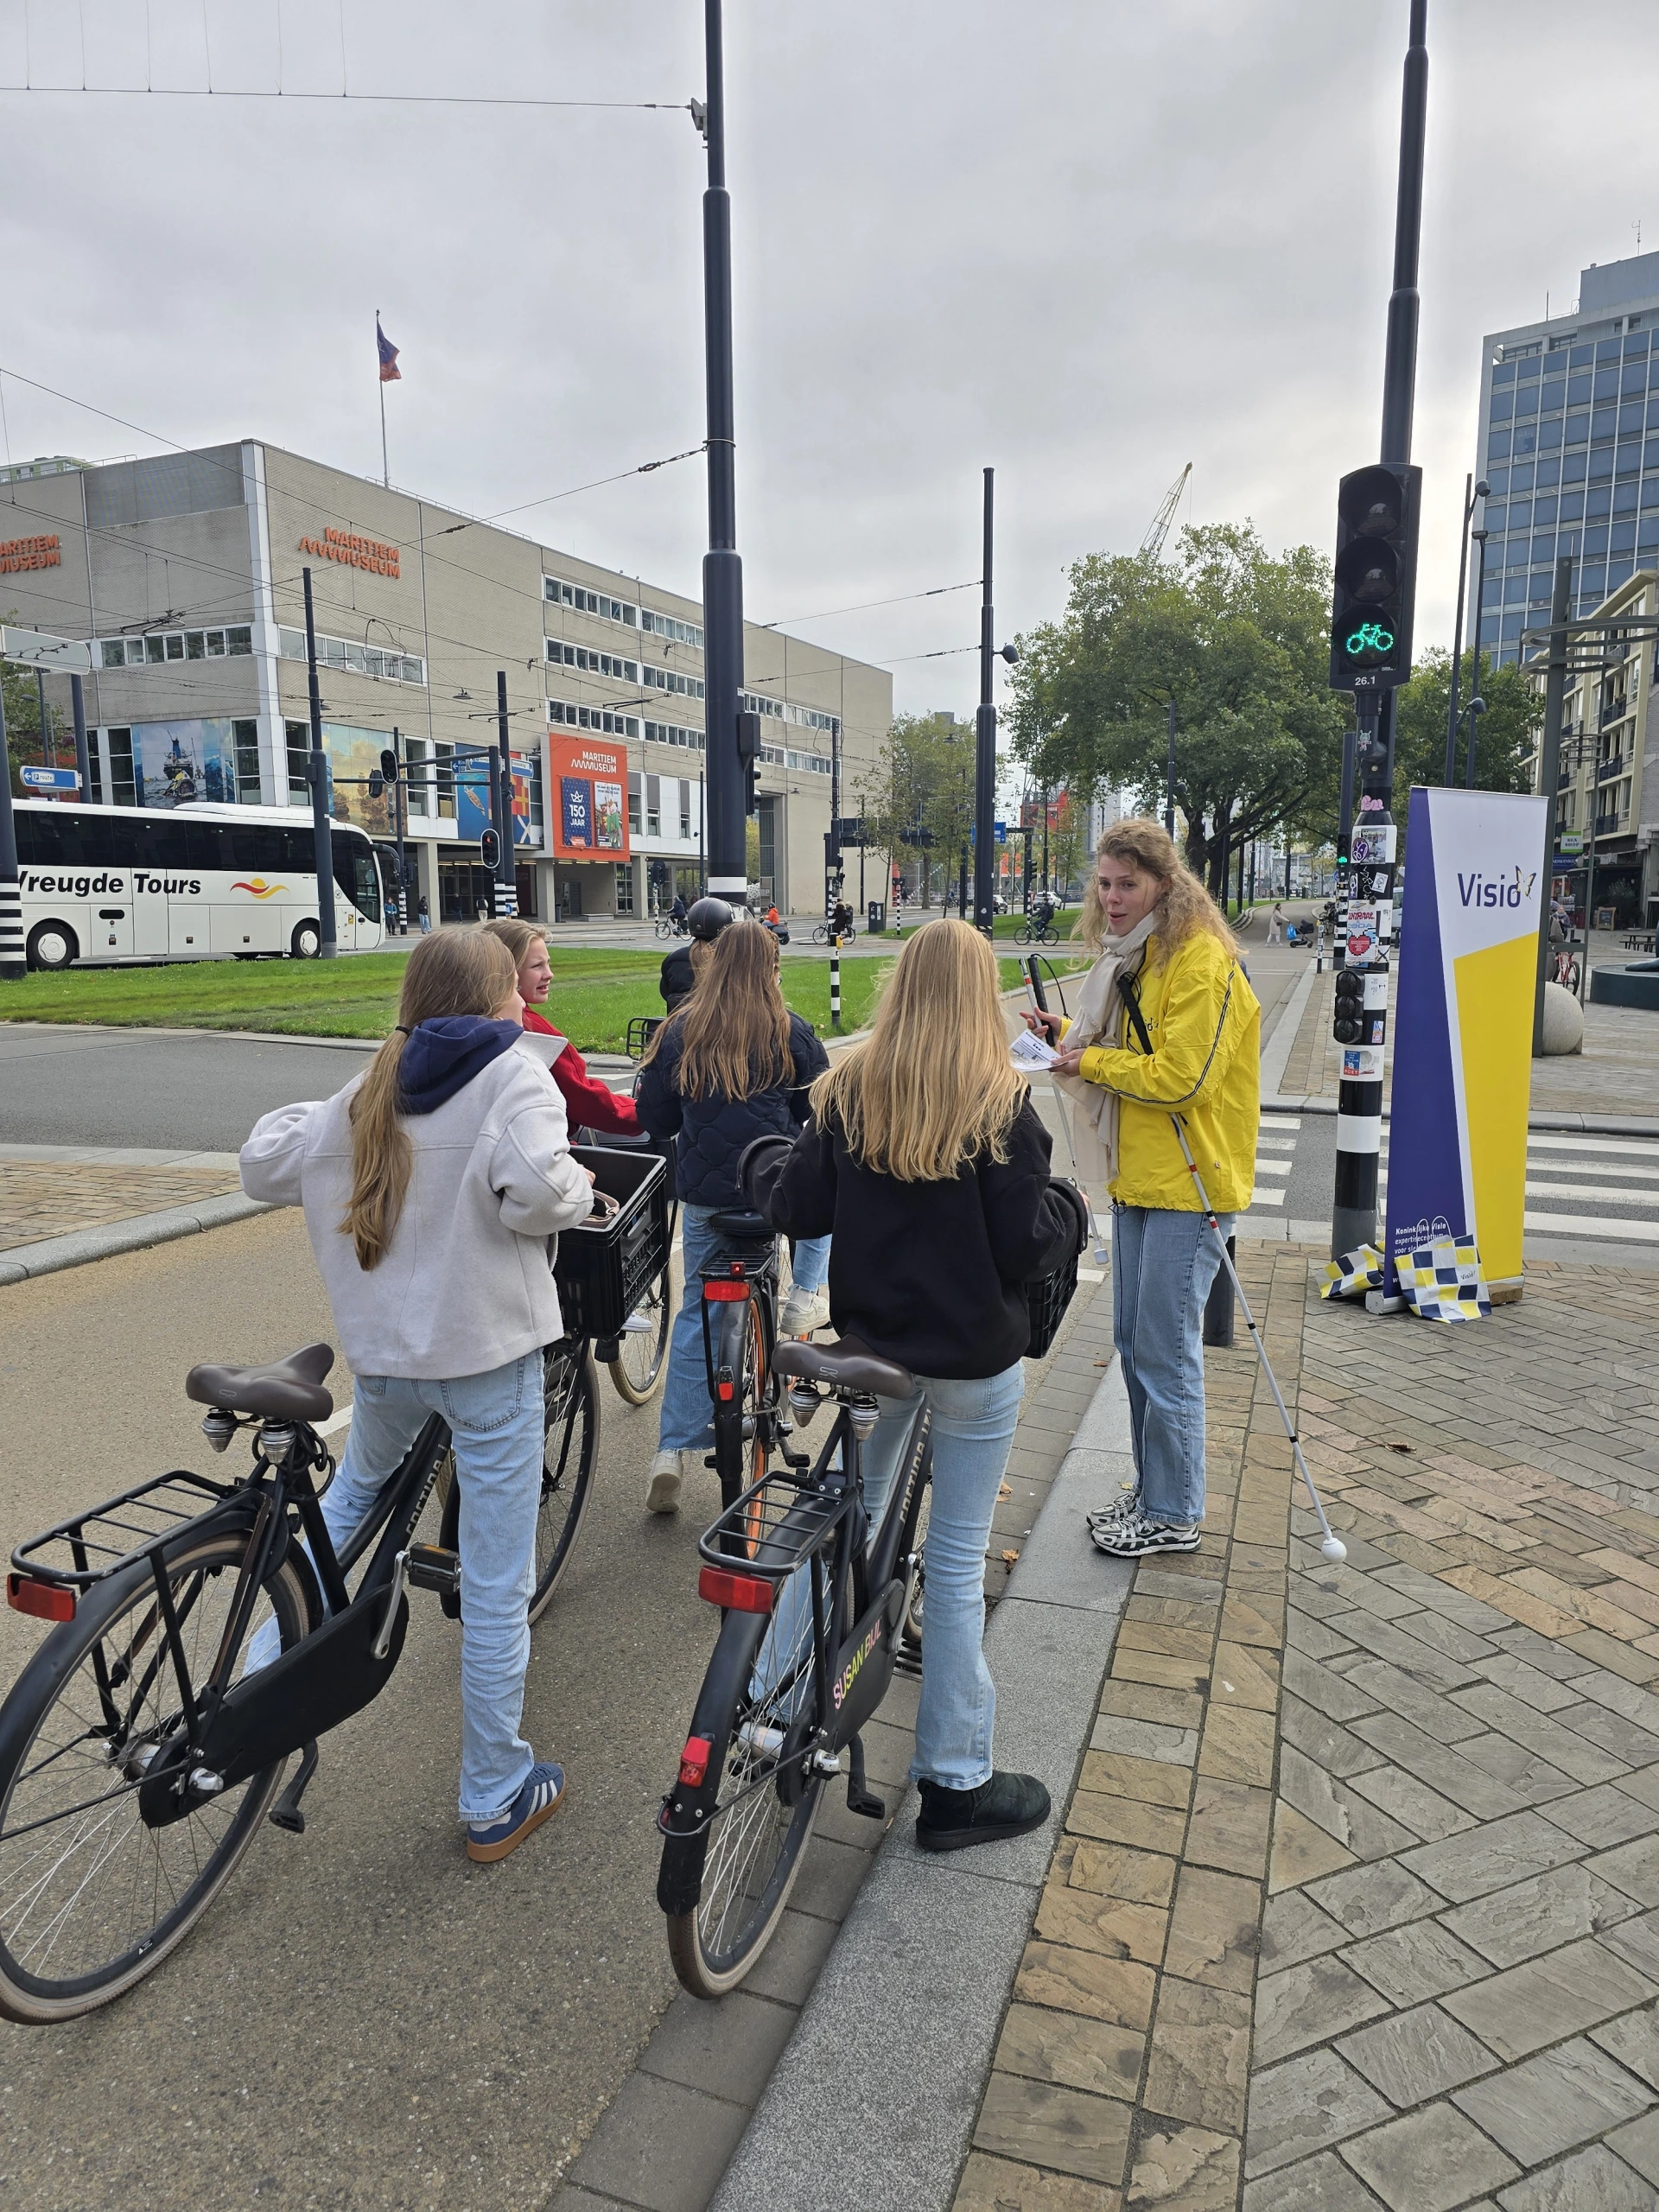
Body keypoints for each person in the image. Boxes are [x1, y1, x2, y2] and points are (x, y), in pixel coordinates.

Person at [238, 929, 594, 1863]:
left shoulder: (367, 1091)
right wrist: (581, 1183)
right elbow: (537, 1194)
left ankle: (250, 1691)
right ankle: (493, 1793)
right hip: (483, 1361)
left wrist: (344, 1102)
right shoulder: (514, 1076)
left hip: (387, 1361)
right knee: (495, 1576)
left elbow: (261, 1161)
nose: (527, 1004)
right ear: (493, 1000)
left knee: (348, 1505)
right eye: (515, 993)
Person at [765, 920, 1088, 1852]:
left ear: (899, 989)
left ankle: (764, 1699)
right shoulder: (1000, 1105)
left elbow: (798, 1207)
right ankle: (954, 1779)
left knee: (835, 1512)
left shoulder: (851, 1091)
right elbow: (1026, 1244)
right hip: (973, 1361)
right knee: (953, 1558)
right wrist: (1064, 1210)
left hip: (877, 1351)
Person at [1027, 819, 1258, 1560]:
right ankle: (1155, 1487)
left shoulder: (1200, 961)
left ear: (1165, 883)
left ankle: (1174, 1509)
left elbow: (1183, 1079)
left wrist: (1086, 1064)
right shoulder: (1141, 957)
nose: (1114, 897)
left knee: (1164, 1351)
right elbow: (1137, 1045)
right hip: (1140, 1175)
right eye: (1105, 883)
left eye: (1128, 884)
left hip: (1191, 1183)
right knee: (1134, 1341)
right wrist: (1068, 1031)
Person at [635, 918, 830, 1514]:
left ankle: (671, 1450)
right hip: (769, 1192)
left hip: (703, 1199)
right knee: (802, 1229)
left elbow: (658, 1121)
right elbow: (819, 1111)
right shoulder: (790, 1032)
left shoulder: (680, 1033)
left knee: (697, 1311)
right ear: (772, 970)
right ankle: (801, 1299)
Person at [484, 917, 640, 1139]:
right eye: (537, 966)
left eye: (548, 963)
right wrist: (645, 1111)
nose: (549, 974)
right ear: (507, 973)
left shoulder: (453, 1025)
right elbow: (585, 1100)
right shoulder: (532, 1030)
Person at [660, 893, 734, 1014]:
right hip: (717, 1030)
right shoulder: (728, 960)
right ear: (725, 927)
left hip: (675, 1028)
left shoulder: (673, 959)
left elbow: (665, 992)